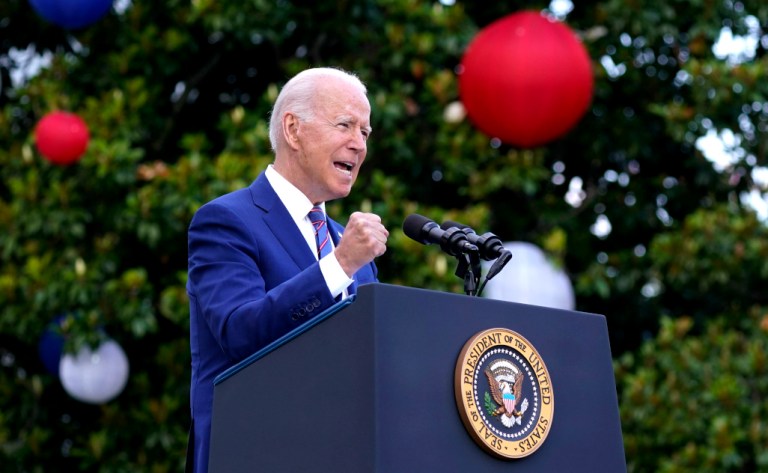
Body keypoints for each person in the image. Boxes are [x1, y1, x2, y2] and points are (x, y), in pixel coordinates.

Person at [185, 67, 389, 472]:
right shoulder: (226, 221)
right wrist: (340, 264)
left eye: (365, 133)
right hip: (251, 453)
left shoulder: (347, 247)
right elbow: (240, 332)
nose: (358, 145)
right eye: (345, 125)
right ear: (293, 130)